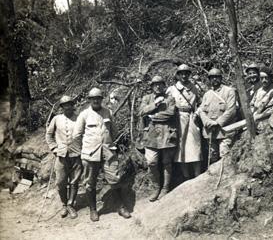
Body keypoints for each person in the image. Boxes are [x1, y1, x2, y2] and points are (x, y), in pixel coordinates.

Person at [73, 87, 131, 222]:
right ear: (89, 100)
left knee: (114, 178)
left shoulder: (108, 112)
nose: (96, 101)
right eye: (93, 99)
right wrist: (84, 150)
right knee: (90, 183)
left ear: (101, 99)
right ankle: (93, 210)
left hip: (108, 152)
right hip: (90, 154)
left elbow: (115, 131)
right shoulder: (84, 115)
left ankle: (121, 207)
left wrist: (109, 143)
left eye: (98, 98)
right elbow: (76, 135)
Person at [139, 76, 177, 202]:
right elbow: (142, 111)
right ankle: (156, 187)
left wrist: (154, 116)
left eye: (160, 84)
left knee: (167, 162)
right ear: (151, 87)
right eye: (155, 85)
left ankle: (165, 188)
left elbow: (170, 113)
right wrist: (155, 104)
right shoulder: (146, 98)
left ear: (164, 85)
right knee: (151, 162)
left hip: (167, 133)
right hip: (151, 135)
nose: (158, 86)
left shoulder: (170, 98)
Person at [45, 95, 82, 219]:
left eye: (70, 104)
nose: (68, 107)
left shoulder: (79, 118)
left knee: (74, 181)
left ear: (73, 105)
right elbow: (49, 135)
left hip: (77, 154)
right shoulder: (56, 119)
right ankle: (64, 204)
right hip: (61, 155)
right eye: (65, 105)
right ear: (62, 107)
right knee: (60, 182)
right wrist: (54, 148)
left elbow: (85, 135)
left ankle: (71, 205)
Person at [166, 64, 202, 181]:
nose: (184, 76)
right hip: (178, 118)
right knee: (180, 148)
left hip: (192, 117)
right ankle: (186, 176)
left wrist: (197, 113)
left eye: (186, 73)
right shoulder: (172, 89)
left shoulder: (195, 88)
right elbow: (167, 106)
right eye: (181, 73)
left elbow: (201, 103)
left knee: (195, 145)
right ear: (178, 75)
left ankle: (197, 174)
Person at [197, 68, 237, 164]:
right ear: (209, 80)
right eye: (212, 77)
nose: (214, 79)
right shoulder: (207, 94)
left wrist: (217, 122)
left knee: (225, 155)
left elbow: (231, 110)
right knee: (212, 157)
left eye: (217, 77)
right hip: (210, 131)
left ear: (221, 78)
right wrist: (208, 122)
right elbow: (201, 111)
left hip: (224, 131)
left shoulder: (229, 91)